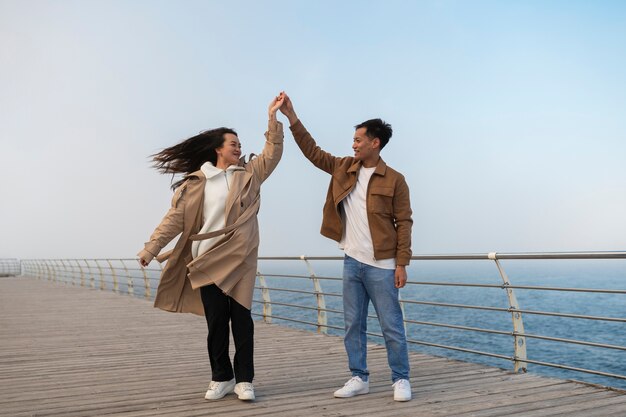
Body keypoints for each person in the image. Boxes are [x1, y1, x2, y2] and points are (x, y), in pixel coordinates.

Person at [137, 93, 285, 402]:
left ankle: (245, 379)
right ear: (218, 149)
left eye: (240, 144)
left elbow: (272, 152)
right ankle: (222, 377)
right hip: (206, 260)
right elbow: (173, 220)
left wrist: (272, 118)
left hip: (240, 258)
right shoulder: (195, 182)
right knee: (217, 322)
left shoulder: (249, 174)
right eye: (233, 144)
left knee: (242, 321)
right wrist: (150, 249)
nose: (239, 148)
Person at [278, 93, 413, 402]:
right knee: (353, 325)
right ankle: (359, 376)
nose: (353, 144)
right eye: (353, 140)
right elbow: (312, 152)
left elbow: (404, 222)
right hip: (352, 261)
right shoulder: (343, 168)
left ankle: (401, 379)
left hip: (383, 265)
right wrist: (292, 117)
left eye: (358, 139)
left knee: (391, 326)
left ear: (374, 142)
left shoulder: (395, 180)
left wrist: (402, 263)